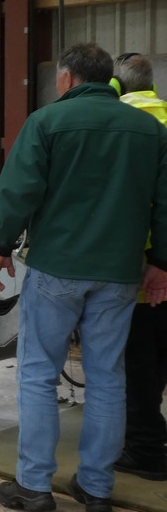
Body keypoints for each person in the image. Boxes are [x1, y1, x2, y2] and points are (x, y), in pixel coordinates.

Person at [0, 42, 167, 512]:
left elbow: (18, 189)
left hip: (58, 268)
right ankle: (96, 487)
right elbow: (165, 202)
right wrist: (161, 261)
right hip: (120, 273)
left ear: (66, 78)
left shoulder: (47, 122)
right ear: (106, 79)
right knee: (109, 378)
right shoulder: (150, 129)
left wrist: (1, 246)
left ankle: (33, 485)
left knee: (38, 373)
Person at [112, 52, 167, 481]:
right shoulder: (164, 117)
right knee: (160, 354)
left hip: (143, 266)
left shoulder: (120, 127)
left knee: (138, 359)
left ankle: (145, 448)